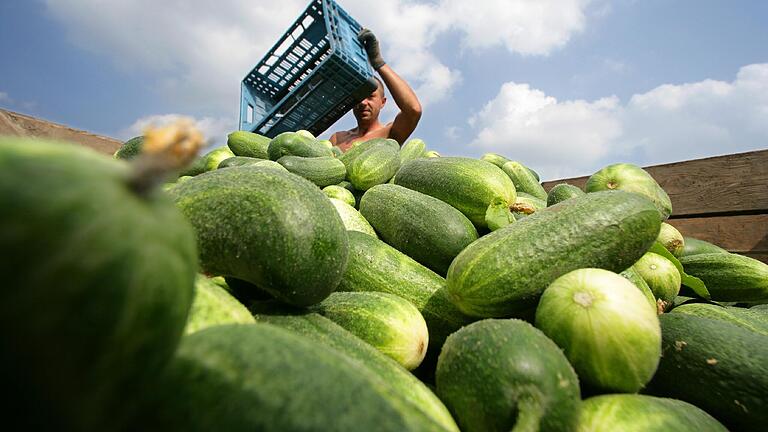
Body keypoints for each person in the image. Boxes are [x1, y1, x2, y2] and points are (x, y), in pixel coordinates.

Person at [330, 29, 422, 152]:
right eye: (359, 96)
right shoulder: (337, 138)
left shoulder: (389, 134)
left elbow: (413, 110)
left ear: (382, 102)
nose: (363, 103)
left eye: (370, 97)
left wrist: (378, 62)